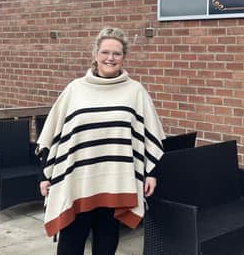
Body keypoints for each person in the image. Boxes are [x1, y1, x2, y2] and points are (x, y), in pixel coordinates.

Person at [36, 27, 166, 255]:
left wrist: (151, 173)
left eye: (116, 53)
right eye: (105, 52)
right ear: (95, 54)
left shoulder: (135, 91)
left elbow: (150, 135)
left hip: (115, 180)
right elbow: (53, 134)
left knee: (107, 237)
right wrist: (45, 176)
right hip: (79, 180)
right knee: (71, 239)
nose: (110, 58)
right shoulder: (75, 89)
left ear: (123, 57)